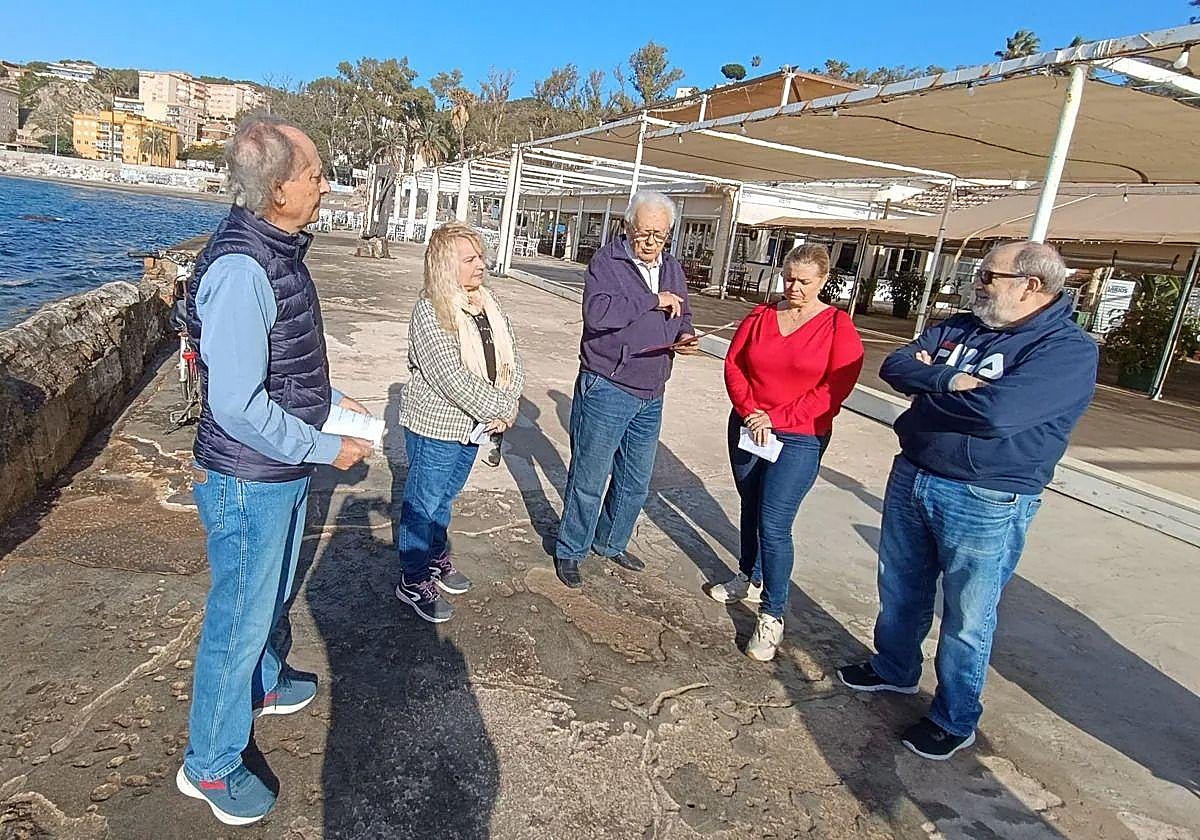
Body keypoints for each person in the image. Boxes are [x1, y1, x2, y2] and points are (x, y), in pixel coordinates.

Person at [178, 114, 374, 826]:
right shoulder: (240, 268)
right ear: (279, 187)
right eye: (316, 172)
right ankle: (210, 762)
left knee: (270, 595)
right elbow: (236, 405)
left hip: (277, 471)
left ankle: (262, 681)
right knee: (238, 616)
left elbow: (281, 362)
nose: (325, 183)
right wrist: (327, 446)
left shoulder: (279, 246)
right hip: (247, 478)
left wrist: (328, 402)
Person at [837, 241, 1098, 760]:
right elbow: (896, 366)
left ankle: (954, 717)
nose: (976, 283)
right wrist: (951, 379)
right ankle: (894, 668)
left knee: (968, 614)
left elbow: (1000, 415)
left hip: (986, 496)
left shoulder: (1065, 350)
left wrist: (932, 396)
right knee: (900, 584)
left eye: (988, 276)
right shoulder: (961, 326)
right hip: (915, 472)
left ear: (1031, 286)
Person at [713, 244, 864, 661]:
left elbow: (834, 389)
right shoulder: (760, 317)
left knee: (775, 522)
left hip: (798, 435)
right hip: (748, 425)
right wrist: (750, 411)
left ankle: (772, 613)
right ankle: (749, 575)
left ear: (823, 280)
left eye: (805, 281)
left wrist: (775, 418)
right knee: (750, 503)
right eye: (789, 278)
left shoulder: (837, 326)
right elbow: (734, 364)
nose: (794, 287)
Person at [553, 190, 698, 588]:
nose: (651, 243)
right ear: (628, 226)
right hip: (609, 385)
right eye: (644, 233)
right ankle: (570, 548)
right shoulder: (608, 262)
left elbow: (684, 310)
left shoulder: (672, 267)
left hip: (653, 389)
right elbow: (597, 314)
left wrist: (685, 335)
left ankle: (611, 542)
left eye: (660, 235)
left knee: (636, 479)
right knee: (590, 476)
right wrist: (652, 301)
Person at [397, 222, 524, 622]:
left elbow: (512, 357)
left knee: (444, 499)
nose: (480, 265)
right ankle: (413, 578)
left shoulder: (488, 302)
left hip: (474, 426)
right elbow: (451, 378)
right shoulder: (430, 310)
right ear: (444, 266)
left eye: (480, 257)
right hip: (437, 426)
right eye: (469, 259)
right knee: (423, 503)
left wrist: (510, 399)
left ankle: (435, 558)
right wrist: (499, 408)